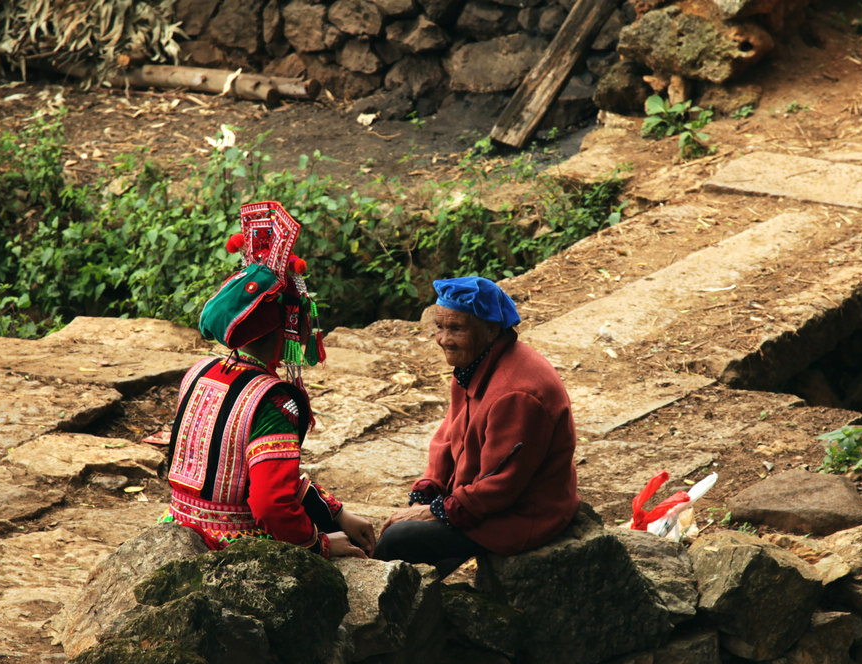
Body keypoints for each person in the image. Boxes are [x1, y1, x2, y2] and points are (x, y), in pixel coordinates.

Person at [163, 200, 375, 560]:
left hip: (180, 528)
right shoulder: (275, 401)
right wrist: (320, 544)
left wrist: (336, 512)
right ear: (289, 326)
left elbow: (238, 475)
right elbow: (270, 505)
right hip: (234, 547)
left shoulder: (198, 372)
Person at [375, 276, 580, 576]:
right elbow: (448, 437)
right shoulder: (474, 366)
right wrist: (429, 488)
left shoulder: (516, 395)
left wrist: (436, 512)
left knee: (396, 539)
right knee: (411, 527)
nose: (444, 339)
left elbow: (500, 487)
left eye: (456, 329)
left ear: (490, 330)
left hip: (523, 514)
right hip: (486, 500)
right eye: (440, 327)